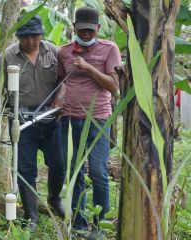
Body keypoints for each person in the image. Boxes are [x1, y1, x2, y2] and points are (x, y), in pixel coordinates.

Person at [57, 7, 121, 231]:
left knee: (98, 172)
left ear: (98, 29)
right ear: (74, 28)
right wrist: (58, 105)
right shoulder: (63, 52)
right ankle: (78, 225)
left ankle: (100, 226)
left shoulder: (109, 49)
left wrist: (88, 68)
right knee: (74, 172)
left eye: (90, 32)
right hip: (70, 119)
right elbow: (60, 83)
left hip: (98, 119)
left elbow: (113, 86)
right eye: (82, 31)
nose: (85, 35)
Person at [4, 15, 66, 228]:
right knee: (24, 168)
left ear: (41, 34)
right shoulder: (8, 56)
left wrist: (60, 98)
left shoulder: (55, 52)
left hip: (52, 119)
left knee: (58, 164)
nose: (30, 40)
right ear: (18, 36)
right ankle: (31, 214)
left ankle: (54, 198)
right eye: (25, 36)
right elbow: (0, 89)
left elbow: (65, 80)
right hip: (22, 121)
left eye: (34, 36)